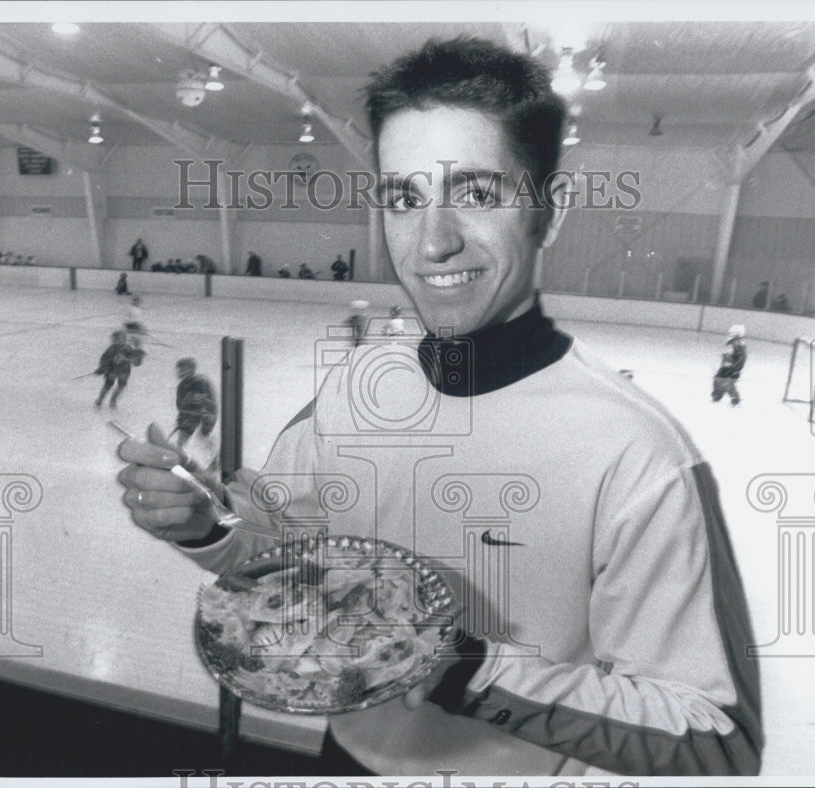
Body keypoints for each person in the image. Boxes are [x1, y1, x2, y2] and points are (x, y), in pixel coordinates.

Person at [117, 37, 762, 777]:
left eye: (478, 195)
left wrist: (469, 668)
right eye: (405, 198)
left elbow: (712, 737)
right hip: (345, 758)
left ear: (547, 215)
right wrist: (208, 524)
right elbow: (287, 558)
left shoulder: (639, 455)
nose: (434, 241)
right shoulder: (351, 389)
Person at [171, 358, 218, 451]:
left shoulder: (200, 381)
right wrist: (181, 421)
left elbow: (205, 402)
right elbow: (180, 405)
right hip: (189, 417)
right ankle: (181, 458)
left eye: (183, 369)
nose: (180, 372)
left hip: (204, 416)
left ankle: (216, 459)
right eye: (179, 369)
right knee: (182, 441)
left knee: (204, 436)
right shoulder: (181, 386)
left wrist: (206, 417)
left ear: (191, 369)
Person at [94, 331, 144, 408]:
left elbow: (137, 362)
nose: (117, 341)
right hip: (113, 370)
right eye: (116, 339)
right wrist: (102, 367)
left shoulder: (127, 348)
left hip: (123, 371)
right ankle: (102, 399)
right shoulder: (112, 348)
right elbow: (104, 359)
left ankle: (111, 400)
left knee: (120, 386)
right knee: (109, 385)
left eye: (120, 339)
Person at [712, 325, 747, 406]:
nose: (730, 334)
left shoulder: (739, 343)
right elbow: (730, 353)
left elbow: (742, 357)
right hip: (726, 366)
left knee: (728, 383)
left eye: (732, 333)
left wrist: (736, 367)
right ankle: (717, 395)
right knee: (718, 379)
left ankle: (735, 398)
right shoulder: (731, 342)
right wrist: (725, 357)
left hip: (732, 367)